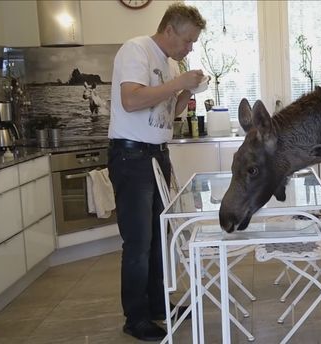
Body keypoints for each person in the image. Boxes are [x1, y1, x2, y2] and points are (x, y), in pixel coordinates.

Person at [107, 3, 206, 341]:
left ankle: (157, 305)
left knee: (159, 237)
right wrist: (178, 81)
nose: (190, 47)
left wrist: (187, 91)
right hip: (132, 157)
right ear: (169, 31)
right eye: (188, 40)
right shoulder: (136, 50)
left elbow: (170, 111)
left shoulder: (169, 62)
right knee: (138, 242)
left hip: (156, 155)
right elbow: (131, 101)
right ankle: (134, 317)